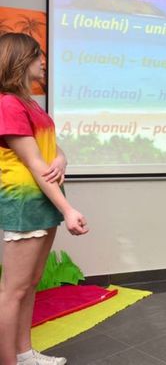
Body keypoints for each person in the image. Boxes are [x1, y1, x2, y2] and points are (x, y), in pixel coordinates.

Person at [0, 33, 89, 365]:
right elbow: (35, 163)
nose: (43, 61)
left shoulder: (30, 104)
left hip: (44, 202)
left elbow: (51, 149)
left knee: (30, 284)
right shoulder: (8, 104)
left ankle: (25, 355)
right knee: (13, 290)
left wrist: (62, 158)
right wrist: (68, 210)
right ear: (21, 60)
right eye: (38, 55)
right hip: (25, 204)